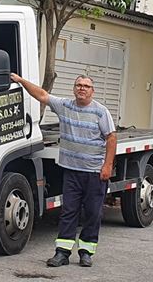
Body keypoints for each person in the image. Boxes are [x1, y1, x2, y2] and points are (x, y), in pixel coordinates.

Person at [10, 73, 117, 267]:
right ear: (74, 89)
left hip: (94, 172)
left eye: (86, 86)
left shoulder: (101, 112)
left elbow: (111, 137)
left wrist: (107, 165)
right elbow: (42, 95)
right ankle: (62, 253)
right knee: (69, 212)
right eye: (78, 85)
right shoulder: (64, 106)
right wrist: (21, 81)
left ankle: (86, 252)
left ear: (92, 91)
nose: (82, 88)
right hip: (71, 171)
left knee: (93, 213)